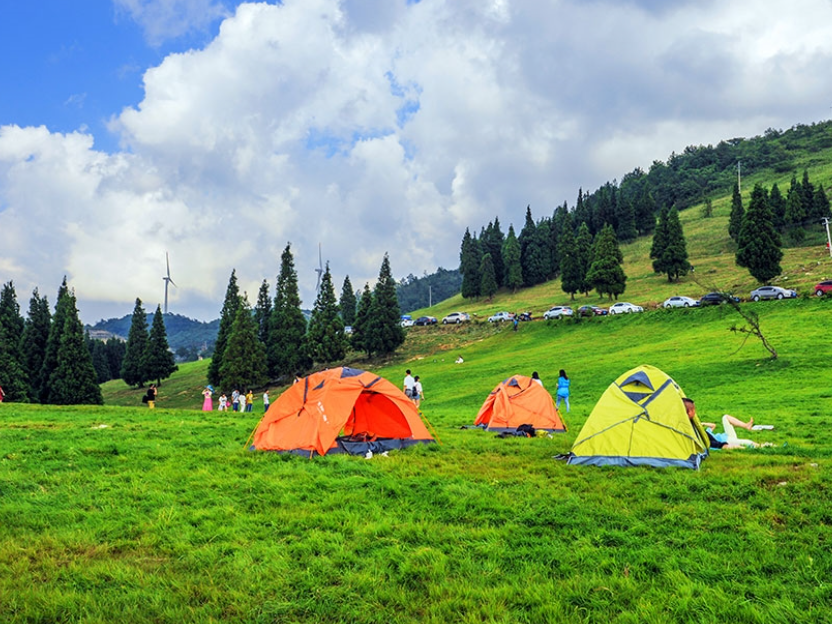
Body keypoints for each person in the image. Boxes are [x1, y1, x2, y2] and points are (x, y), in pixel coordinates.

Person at [682, 398, 760, 449]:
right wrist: (725, 446)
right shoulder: (699, 433)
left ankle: (746, 426)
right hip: (726, 440)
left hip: (726, 436)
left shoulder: (704, 431)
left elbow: (713, 426)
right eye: (694, 409)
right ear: (690, 412)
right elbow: (711, 443)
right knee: (748, 443)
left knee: (725, 417)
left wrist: (703, 424)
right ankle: (763, 446)